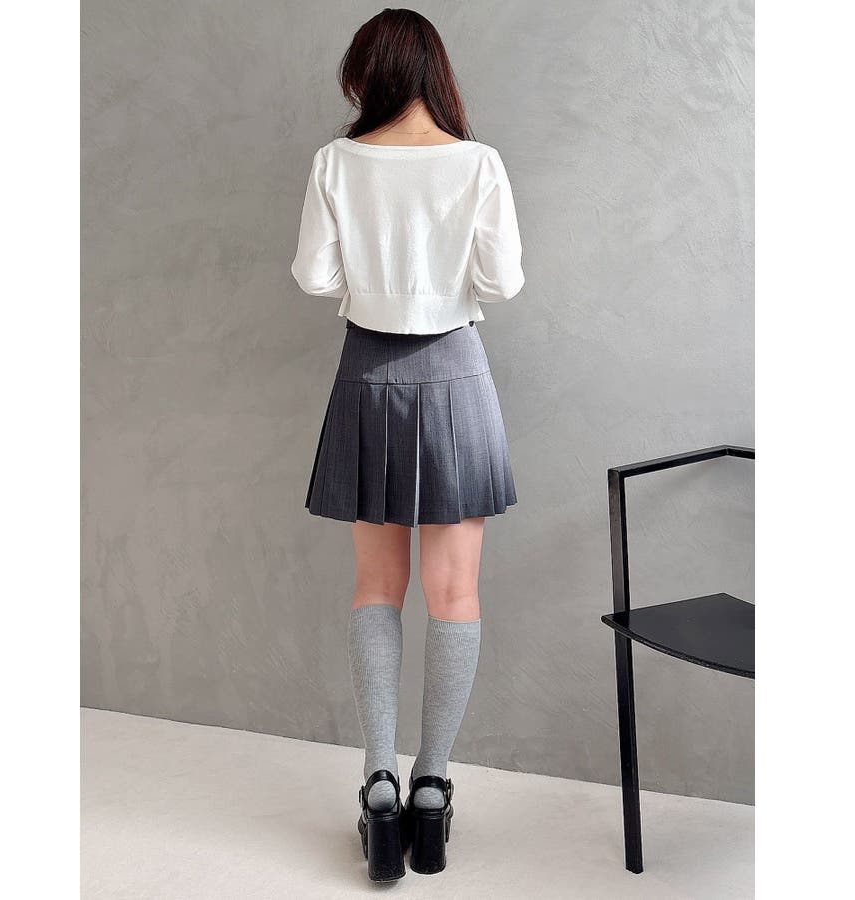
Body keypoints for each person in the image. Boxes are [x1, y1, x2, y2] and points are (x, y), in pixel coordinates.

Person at [290, 7, 524, 882]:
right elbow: (503, 280)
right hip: (457, 374)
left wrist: (375, 273)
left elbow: (315, 275)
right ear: (436, 72)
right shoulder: (478, 162)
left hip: (368, 376)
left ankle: (379, 786)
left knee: (375, 587)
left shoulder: (336, 162)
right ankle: (432, 789)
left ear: (368, 75)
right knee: (453, 591)